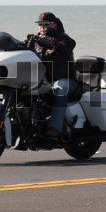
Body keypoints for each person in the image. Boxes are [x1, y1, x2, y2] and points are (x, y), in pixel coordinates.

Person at [25, 12, 77, 140]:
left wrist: (52, 42)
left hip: (66, 81)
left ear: (55, 24)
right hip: (43, 81)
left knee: (61, 87)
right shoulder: (35, 40)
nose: (43, 27)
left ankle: (54, 128)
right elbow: (18, 47)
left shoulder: (63, 38)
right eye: (40, 24)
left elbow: (68, 45)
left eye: (46, 24)